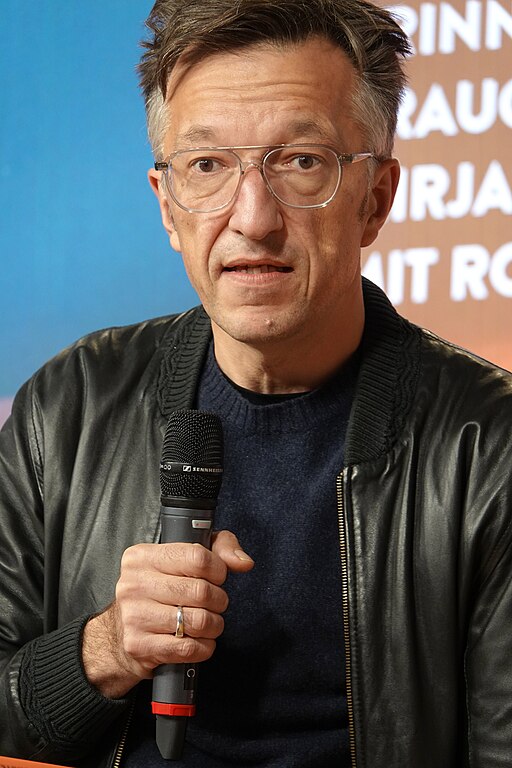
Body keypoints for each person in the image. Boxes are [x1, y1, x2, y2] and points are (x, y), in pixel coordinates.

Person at [0, 0, 511, 766]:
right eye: (206, 166)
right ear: (166, 205)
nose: (253, 217)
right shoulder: (65, 408)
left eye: (300, 162)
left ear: (376, 199)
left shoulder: (488, 447)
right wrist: (102, 649)